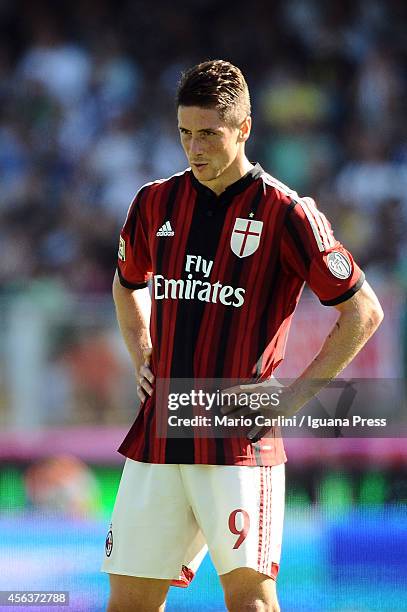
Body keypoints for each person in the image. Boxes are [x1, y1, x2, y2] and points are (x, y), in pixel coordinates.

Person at [102, 60, 383, 612]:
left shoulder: (287, 212)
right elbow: (125, 283)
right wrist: (143, 351)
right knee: (129, 603)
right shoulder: (155, 201)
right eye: (185, 133)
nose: (194, 148)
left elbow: (363, 313)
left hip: (236, 440)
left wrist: (290, 400)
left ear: (245, 128)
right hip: (158, 432)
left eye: (209, 133)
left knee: (251, 601)